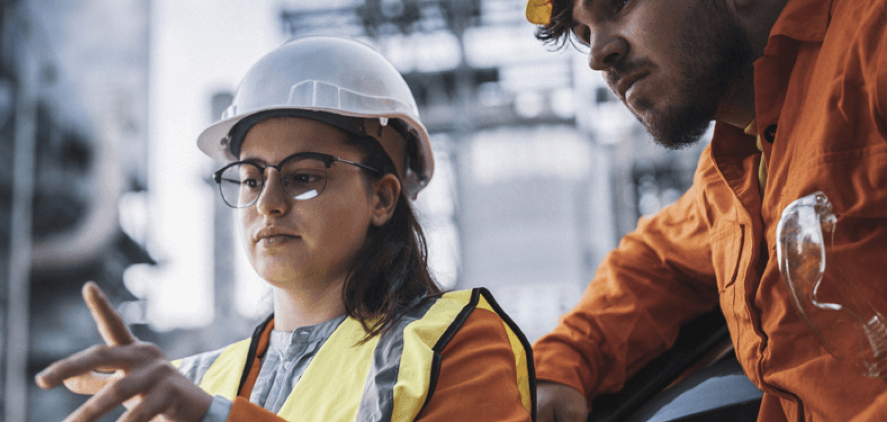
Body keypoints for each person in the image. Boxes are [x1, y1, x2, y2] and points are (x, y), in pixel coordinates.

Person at [522, 0, 887, 420]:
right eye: (584, 34)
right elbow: (655, 266)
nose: (600, 55)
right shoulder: (735, 171)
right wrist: (562, 363)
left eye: (620, 0)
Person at [33, 36, 536, 422]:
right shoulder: (201, 381)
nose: (268, 203)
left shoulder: (454, 344)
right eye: (250, 179)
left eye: (304, 177)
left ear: (382, 198)